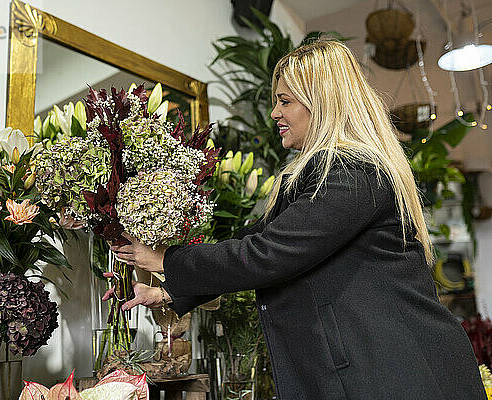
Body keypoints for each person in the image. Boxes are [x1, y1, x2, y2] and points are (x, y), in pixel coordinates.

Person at [108, 40, 487, 399]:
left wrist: (163, 260)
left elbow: (268, 253)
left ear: (321, 104)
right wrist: (169, 289)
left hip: (398, 372)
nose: (275, 113)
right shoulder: (321, 175)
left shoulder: (352, 172)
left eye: (285, 101)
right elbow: (254, 241)